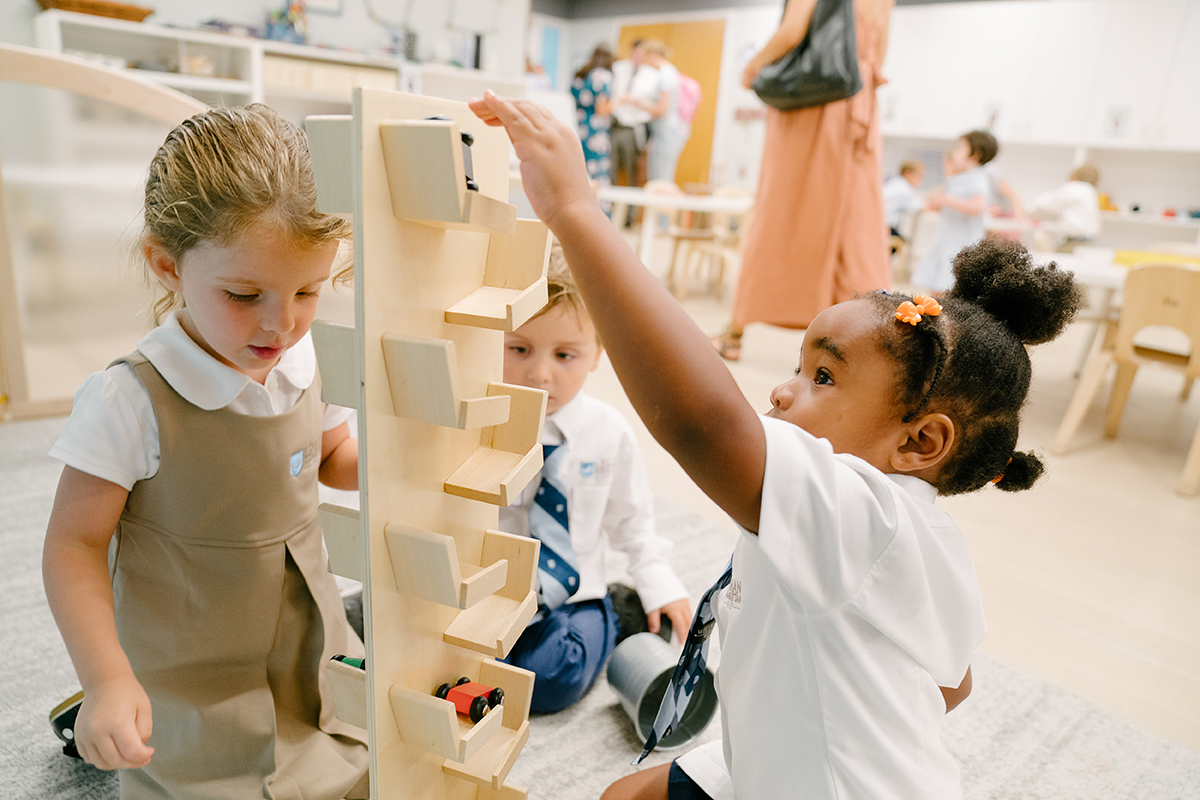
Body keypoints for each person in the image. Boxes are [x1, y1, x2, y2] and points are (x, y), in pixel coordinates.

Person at [468, 90, 1082, 800]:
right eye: (798, 368)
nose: (784, 392)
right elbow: (953, 683)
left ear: (919, 442)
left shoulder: (867, 514)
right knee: (623, 795)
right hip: (774, 763)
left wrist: (575, 212)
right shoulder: (911, 533)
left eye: (822, 376)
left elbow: (706, 424)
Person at [41, 105, 369, 798]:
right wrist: (106, 678)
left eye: (308, 290)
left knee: (360, 760)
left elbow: (333, 457)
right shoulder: (130, 400)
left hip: (302, 634)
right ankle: (97, 708)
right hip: (190, 655)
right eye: (245, 294)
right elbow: (73, 547)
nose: (282, 323)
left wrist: (409, 454)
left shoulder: (310, 355)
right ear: (167, 265)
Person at [499, 247, 692, 713]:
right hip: (496, 589)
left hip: (575, 594)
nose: (540, 373)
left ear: (598, 355)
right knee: (443, 665)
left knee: (547, 683)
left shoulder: (609, 433)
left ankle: (619, 612)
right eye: (519, 349)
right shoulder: (480, 421)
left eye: (566, 355)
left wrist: (657, 580)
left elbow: (633, 521)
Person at [711, 0, 894, 362]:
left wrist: (753, 65)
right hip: (859, 100)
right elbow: (879, 55)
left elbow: (792, 33)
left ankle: (734, 332)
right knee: (856, 224)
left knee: (783, 211)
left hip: (812, 103)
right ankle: (866, 339)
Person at [910, 130, 998, 291]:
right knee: (936, 288)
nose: (954, 152)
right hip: (947, 238)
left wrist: (946, 200)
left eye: (959, 148)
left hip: (962, 243)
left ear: (975, 154)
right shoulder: (960, 178)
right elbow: (950, 205)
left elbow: (977, 207)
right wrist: (938, 204)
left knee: (948, 287)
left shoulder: (978, 178)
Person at [627, 39, 690, 184]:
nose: (645, 62)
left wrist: (640, 105)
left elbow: (662, 109)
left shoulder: (666, 75)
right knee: (660, 177)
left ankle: (661, 207)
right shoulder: (668, 73)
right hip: (665, 133)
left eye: (645, 57)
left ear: (653, 55)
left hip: (667, 134)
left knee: (660, 180)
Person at [609, 39, 659, 190]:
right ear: (632, 51)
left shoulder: (653, 75)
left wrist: (637, 102)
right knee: (611, 170)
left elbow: (655, 105)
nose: (638, 56)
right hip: (615, 125)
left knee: (632, 173)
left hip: (635, 129)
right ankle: (609, 210)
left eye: (642, 53)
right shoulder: (618, 68)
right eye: (636, 52)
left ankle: (630, 213)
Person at [1024, 163, 1102, 252]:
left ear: (1074, 176)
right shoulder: (1091, 191)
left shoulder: (1075, 187)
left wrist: (1026, 210)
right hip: (1089, 243)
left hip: (1074, 244)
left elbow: (1049, 201)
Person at [571, 45, 615, 188]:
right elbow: (601, 110)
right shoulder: (603, 75)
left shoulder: (580, 75)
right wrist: (621, 101)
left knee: (580, 170)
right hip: (595, 132)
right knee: (597, 174)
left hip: (578, 128)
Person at [883, 159, 925, 241]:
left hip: (880, 224)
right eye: (919, 176)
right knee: (903, 242)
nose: (921, 180)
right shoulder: (904, 190)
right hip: (885, 227)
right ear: (908, 173)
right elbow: (920, 208)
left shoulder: (895, 183)